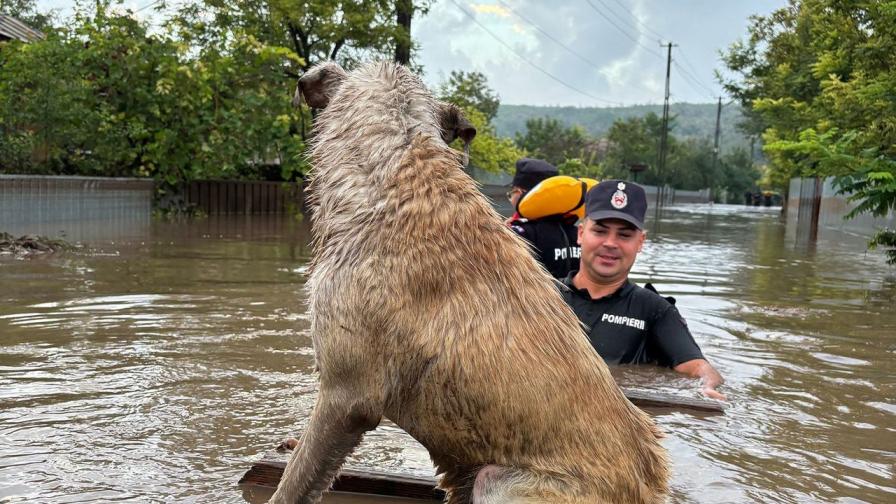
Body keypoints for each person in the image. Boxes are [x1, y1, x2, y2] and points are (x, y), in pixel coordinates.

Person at [559, 179, 726, 400]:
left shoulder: (654, 310)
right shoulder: (541, 294)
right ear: (580, 234)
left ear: (641, 242)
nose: (610, 243)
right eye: (600, 231)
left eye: (624, 235)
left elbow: (698, 367)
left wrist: (707, 386)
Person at [506, 158, 580, 278]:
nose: (510, 198)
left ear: (520, 193)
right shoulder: (578, 233)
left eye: (512, 193)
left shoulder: (520, 233)